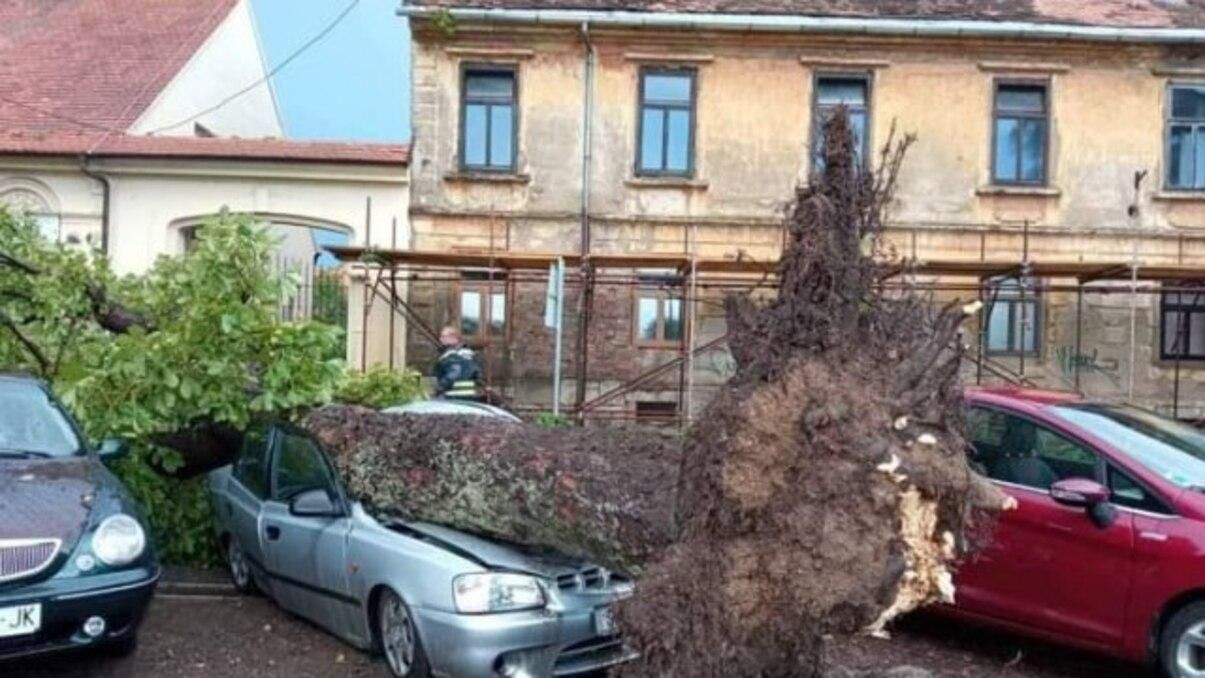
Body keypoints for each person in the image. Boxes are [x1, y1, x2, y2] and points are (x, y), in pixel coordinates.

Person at [433, 326, 482, 400]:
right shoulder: (469, 355)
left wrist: (440, 388)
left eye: (444, 336)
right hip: (468, 395)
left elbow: (453, 374)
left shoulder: (453, 356)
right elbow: (477, 374)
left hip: (451, 396)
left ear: (454, 338)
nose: (440, 339)